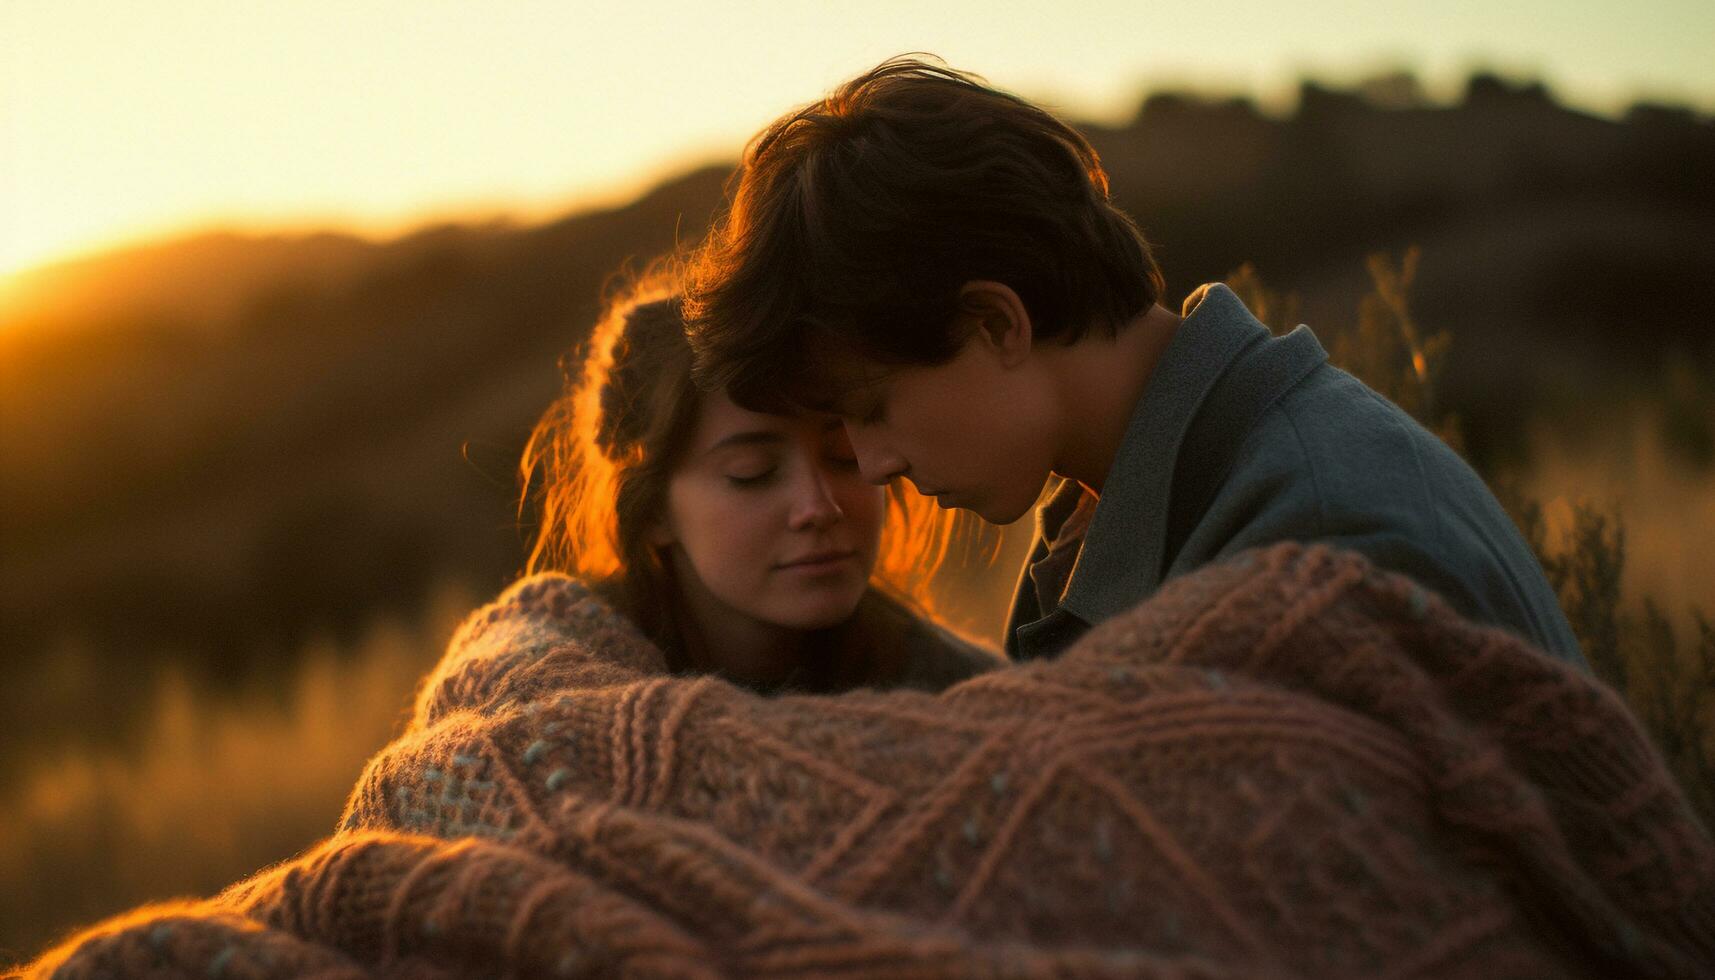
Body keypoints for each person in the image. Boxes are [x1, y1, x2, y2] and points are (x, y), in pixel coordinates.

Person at [683, 56, 1584, 667]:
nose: (872, 464)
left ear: (996, 323)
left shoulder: (1317, 553)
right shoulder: (1138, 504)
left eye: (870, 405)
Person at [519, 269, 997, 693]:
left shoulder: (976, 706)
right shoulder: (528, 709)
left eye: (845, 457)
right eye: (754, 473)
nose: (819, 507)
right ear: (653, 509)